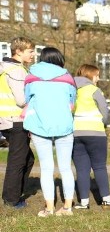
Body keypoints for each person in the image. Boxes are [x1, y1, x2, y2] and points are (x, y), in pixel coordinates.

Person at [23, 47, 77, 217]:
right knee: (66, 168)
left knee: (46, 168)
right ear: (59, 59)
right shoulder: (68, 77)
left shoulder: (31, 76)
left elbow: (27, 98)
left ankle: (49, 208)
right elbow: (72, 101)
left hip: (39, 125)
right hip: (64, 126)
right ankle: (67, 208)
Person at [71, 64, 110, 209]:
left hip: (77, 134)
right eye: (97, 75)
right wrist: (105, 123)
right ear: (90, 76)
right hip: (96, 134)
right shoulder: (95, 90)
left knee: (82, 170)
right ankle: (106, 200)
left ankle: (83, 203)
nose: (98, 78)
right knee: (99, 167)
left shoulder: (73, 91)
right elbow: (105, 112)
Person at [1, 36, 36, 209]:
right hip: (17, 121)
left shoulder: (4, 68)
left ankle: (13, 195)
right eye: (30, 51)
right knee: (18, 161)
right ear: (18, 51)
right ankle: (11, 200)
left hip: (7, 120)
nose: (33, 54)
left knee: (28, 159)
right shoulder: (17, 70)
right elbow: (22, 100)